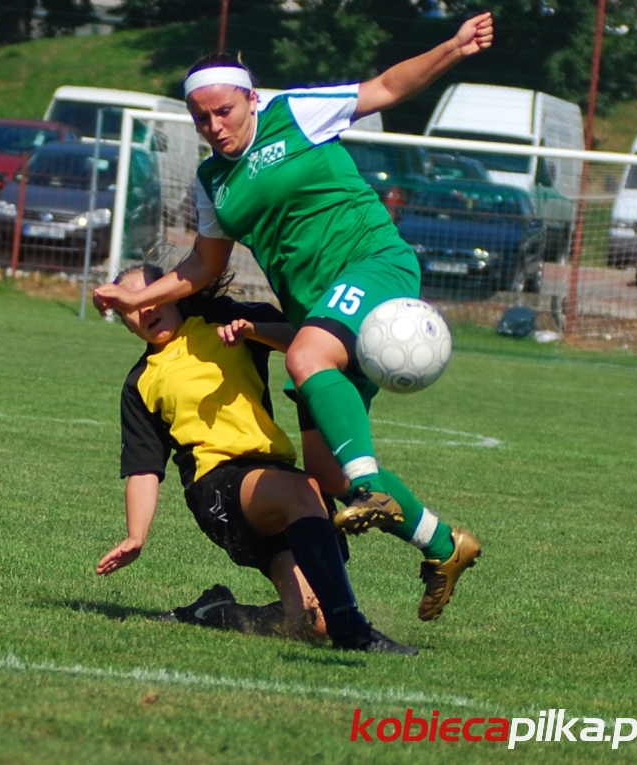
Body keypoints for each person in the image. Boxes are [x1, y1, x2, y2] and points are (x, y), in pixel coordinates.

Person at [94, 13, 493, 622]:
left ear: (252, 99)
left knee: (307, 361)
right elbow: (203, 266)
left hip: (372, 263)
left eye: (224, 111)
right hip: (318, 313)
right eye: (201, 118)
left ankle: (369, 490)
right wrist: (134, 300)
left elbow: (386, 87)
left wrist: (453, 49)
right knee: (327, 476)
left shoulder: (296, 113)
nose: (214, 126)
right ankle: (444, 545)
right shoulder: (212, 181)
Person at [95, 263, 417, 655]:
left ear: (171, 293)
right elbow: (144, 469)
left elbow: (308, 344)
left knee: (313, 622)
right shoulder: (141, 381)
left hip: (274, 481)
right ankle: (355, 631)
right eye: (130, 307)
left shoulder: (223, 322)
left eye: (149, 296)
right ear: (125, 322)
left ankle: (214, 611)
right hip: (218, 486)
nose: (144, 310)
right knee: (304, 488)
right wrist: (136, 536)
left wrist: (253, 331)